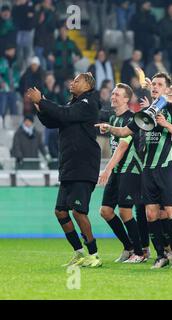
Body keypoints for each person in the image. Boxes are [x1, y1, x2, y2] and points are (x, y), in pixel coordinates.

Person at [96, 72, 172, 270]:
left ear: (166, 88)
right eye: (153, 84)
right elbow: (124, 132)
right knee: (150, 215)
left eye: (159, 84)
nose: (154, 87)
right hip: (148, 170)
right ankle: (160, 256)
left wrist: (166, 124)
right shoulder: (145, 113)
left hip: (167, 168)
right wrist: (108, 127)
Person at [27, 72, 102, 267]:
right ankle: (79, 252)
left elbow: (64, 114)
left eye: (77, 80)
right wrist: (39, 106)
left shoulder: (89, 103)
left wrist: (43, 100)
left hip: (84, 166)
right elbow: (53, 120)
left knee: (78, 211)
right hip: (69, 166)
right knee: (60, 212)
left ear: (88, 84)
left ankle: (94, 255)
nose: (72, 81)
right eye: (73, 78)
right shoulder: (73, 104)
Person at [97, 83, 146, 264]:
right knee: (106, 211)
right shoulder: (113, 118)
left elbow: (123, 147)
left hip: (130, 169)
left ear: (127, 99)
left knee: (125, 210)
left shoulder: (131, 119)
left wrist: (107, 169)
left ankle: (140, 253)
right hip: (118, 170)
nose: (113, 97)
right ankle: (129, 246)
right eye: (113, 94)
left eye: (117, 94)